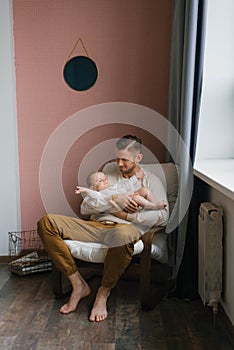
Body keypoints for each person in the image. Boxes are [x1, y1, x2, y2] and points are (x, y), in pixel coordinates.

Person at [37, 135, 169, 322]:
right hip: (95, 226)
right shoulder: (107, 175)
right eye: (117, 158)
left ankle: (103, 292)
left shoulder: (152, 180)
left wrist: (125, 215)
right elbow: (85, 207)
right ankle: (78, 284)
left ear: (138, 158)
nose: (119, 164)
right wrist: (114, 202)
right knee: (46, 222)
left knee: (123, 235)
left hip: (124, 230)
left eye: (125, 159)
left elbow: (163, 217)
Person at [75, 170, 167, 211]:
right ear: (93, 188)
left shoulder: (113, 187)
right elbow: (94, 195)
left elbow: (125, 185)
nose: (105, 181)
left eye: (105, 178)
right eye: (100, 181)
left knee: (144, 190)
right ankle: (153, 206)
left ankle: (154, 204)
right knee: (136, 198)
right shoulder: (100, 195)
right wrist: (85, 190)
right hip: (125, 203)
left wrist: (136, 177)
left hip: (129, 196)